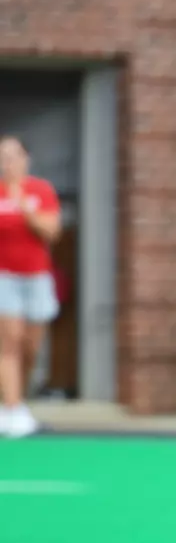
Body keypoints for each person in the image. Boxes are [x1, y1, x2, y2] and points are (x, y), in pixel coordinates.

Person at [0, 137, 62, 439]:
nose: (7, 162)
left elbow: (50, 231)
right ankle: (11, 409)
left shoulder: (40, 191)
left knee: (30, 345)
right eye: (3, 157)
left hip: (37, 277)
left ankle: (15, 401)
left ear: (26, 159)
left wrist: (23, 204)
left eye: (13, 156)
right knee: (9, 340)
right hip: (4, 277)